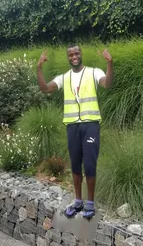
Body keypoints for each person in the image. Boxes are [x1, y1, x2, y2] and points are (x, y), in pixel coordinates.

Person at [37, 45, 113, 219]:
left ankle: (90, 203)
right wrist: (39, 68)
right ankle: (78, 201)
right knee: (75, 164)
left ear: (81, 54)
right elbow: (45, 88)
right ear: (68, 57)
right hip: (72, 126)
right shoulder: (64, 77)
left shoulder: (94, 72)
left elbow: (107, 84)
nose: (74, 56)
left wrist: (110, 63)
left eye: (76, 53)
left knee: (90, 164)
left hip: (90, 125)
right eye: (70, 54)